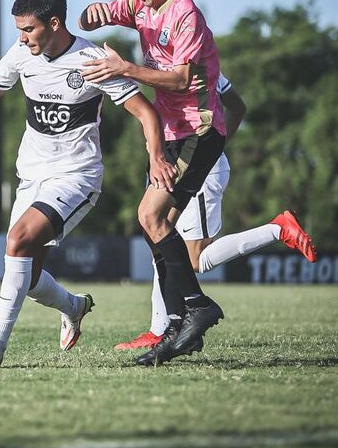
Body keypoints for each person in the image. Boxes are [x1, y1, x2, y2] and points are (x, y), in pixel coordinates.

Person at [79, 0, 316, 366]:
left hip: (199, 130)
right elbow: (106, 14)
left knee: (153, 218)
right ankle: (176, 324)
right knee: (160, 224)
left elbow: (184, 80)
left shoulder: (186, 16)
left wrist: (126, 69)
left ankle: (192, 309)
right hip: (174, 133)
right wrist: (91, 14)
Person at [0, 0, 176, 368]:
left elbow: (145, 112)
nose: (22, 38)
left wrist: (156, 155)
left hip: (77, 176)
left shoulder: (90, 60)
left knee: (18, 239)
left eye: (29, 29)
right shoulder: (22, 54)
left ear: (54, 23)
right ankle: (74, 306)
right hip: (32, 176)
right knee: (27, 272)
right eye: (19, 30)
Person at [114, 73, 317, 350]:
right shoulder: (160, 61)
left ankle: (278, 228)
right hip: (173, 163)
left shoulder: (197, 68)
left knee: (194, 260)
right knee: (159, 241)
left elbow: (237, 107)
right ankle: (161, 329)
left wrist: (212, 149)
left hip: (198, 168)